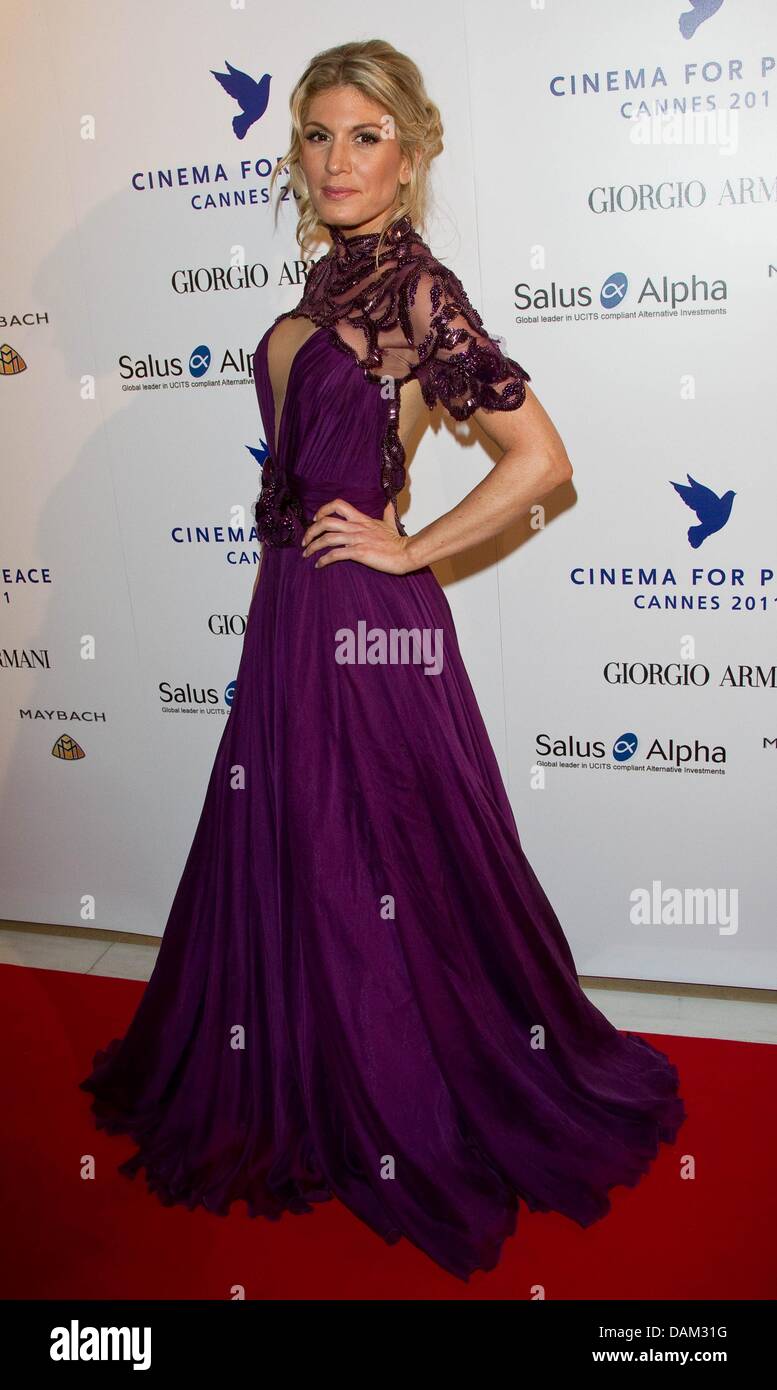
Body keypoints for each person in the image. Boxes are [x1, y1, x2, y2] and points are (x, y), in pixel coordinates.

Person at [80, 39, 686, 1284]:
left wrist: (408, 555)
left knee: (388, 855)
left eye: (365, 135)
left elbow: (542, 462)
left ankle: (407, 1088)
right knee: (313, 848)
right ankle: (317, 1062)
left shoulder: (417, 286)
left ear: (409, 158)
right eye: (317, 133)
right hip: (293, 608)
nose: (337, 157)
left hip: (365, 620)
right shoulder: (324, 280)